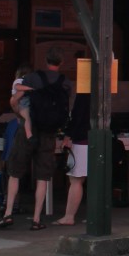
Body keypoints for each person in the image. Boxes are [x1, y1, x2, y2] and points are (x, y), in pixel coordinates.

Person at [0, 49, 72, 230]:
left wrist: (20, 114)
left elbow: (15, 100)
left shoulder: (32, 78)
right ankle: (37, 219)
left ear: (45, 60)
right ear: (61, 62)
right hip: (49, 133)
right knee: (42, 177)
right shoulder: (66, 83)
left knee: (14, 172)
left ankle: (8, 214)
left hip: (27, 130)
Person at [53, 93, 89, 226]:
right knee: (97, 181)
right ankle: (96, 215)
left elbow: (77, 116)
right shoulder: (103, 91)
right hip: (99, 139)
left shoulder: (84, 94)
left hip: (82, 139)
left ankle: (69, 216)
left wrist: (68, 136)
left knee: (76, 179)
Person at [11, 64, 34, 140]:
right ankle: (29, 135)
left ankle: (26, 132)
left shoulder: (24, 80)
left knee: (23, 119)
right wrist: (28, 88)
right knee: (27, 118)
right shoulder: (19, 80)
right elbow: (17, 86)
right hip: (22, 101)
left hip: (22, 101)